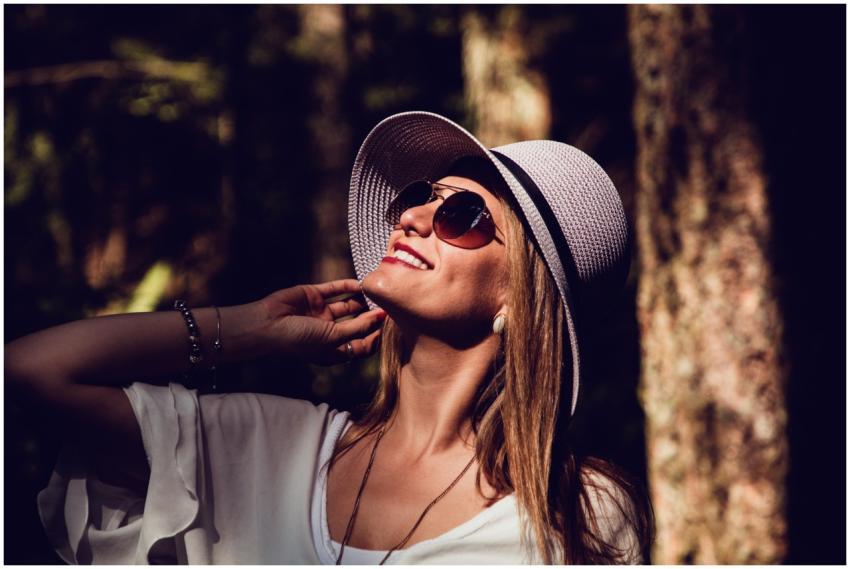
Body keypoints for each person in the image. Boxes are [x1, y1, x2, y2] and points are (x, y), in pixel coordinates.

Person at [7, 111, 653, 564]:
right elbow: (29, 373)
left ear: (521, 297)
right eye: (422, 195)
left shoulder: (580, 515)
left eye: (463, 215)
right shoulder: (269, 446)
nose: (413, 216)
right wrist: (244, 328)